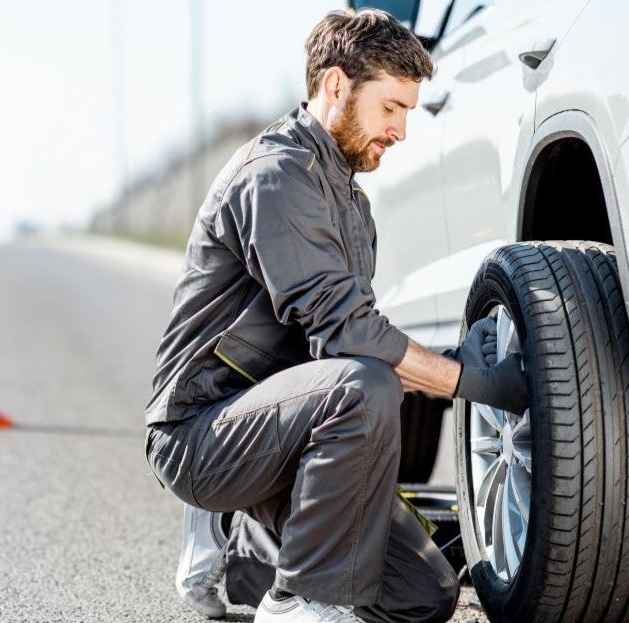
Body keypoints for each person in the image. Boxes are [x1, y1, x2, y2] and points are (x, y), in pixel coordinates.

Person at [145, 9, 529, 622]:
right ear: (334, 87)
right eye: (391, 108)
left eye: (407, 110)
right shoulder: (277, 177)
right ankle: (301, 600)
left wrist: (455, 362)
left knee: (423, 596)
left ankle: (250, 559)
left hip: (283, 428)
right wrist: (467, 382)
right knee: (363, 388)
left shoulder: (351, 202)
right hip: (201, 432)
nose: (402, 130)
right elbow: (349, 338)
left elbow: (348, 348)